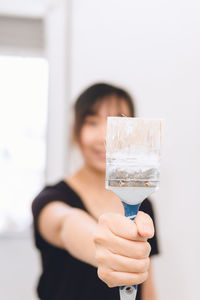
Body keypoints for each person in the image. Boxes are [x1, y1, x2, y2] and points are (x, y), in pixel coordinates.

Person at [32, 83, 159, 300]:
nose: (104, 137)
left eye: (116, 123)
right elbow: (66, 224)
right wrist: (102, 246)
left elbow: (146, 285)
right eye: (92, 122)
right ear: (76, 132)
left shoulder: (143, 205)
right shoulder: (50, 200)